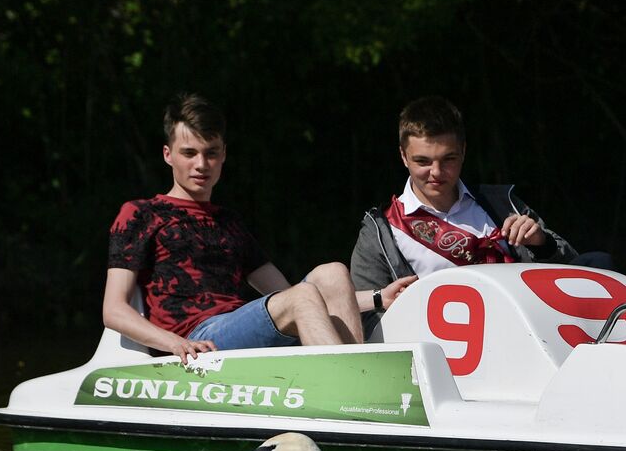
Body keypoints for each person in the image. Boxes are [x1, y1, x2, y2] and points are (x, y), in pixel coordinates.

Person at [103, 93, 405, 363]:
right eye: (189, 153)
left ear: (223, 155)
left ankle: (357, 383)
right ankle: (347, 390)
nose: (201, 164)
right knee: (302, 297)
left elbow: (291, 295)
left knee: (333, 272)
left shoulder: (229, 222)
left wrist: (377, 298)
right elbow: (113, 310)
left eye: (211, 153)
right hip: (197, 336)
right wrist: (175, 343)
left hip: (237, 325)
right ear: (168, 155)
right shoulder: (141, 214)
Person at [350, 96, 587, 329]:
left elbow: (577, 272)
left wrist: (541, 244)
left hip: (524, 330)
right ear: (403, 156)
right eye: (423, 161)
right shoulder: (381, 231)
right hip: (441, 351)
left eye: (448, 159)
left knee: (598, 261)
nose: (436, 172)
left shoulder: (502, 204)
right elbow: (365, 321)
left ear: (463, 151)